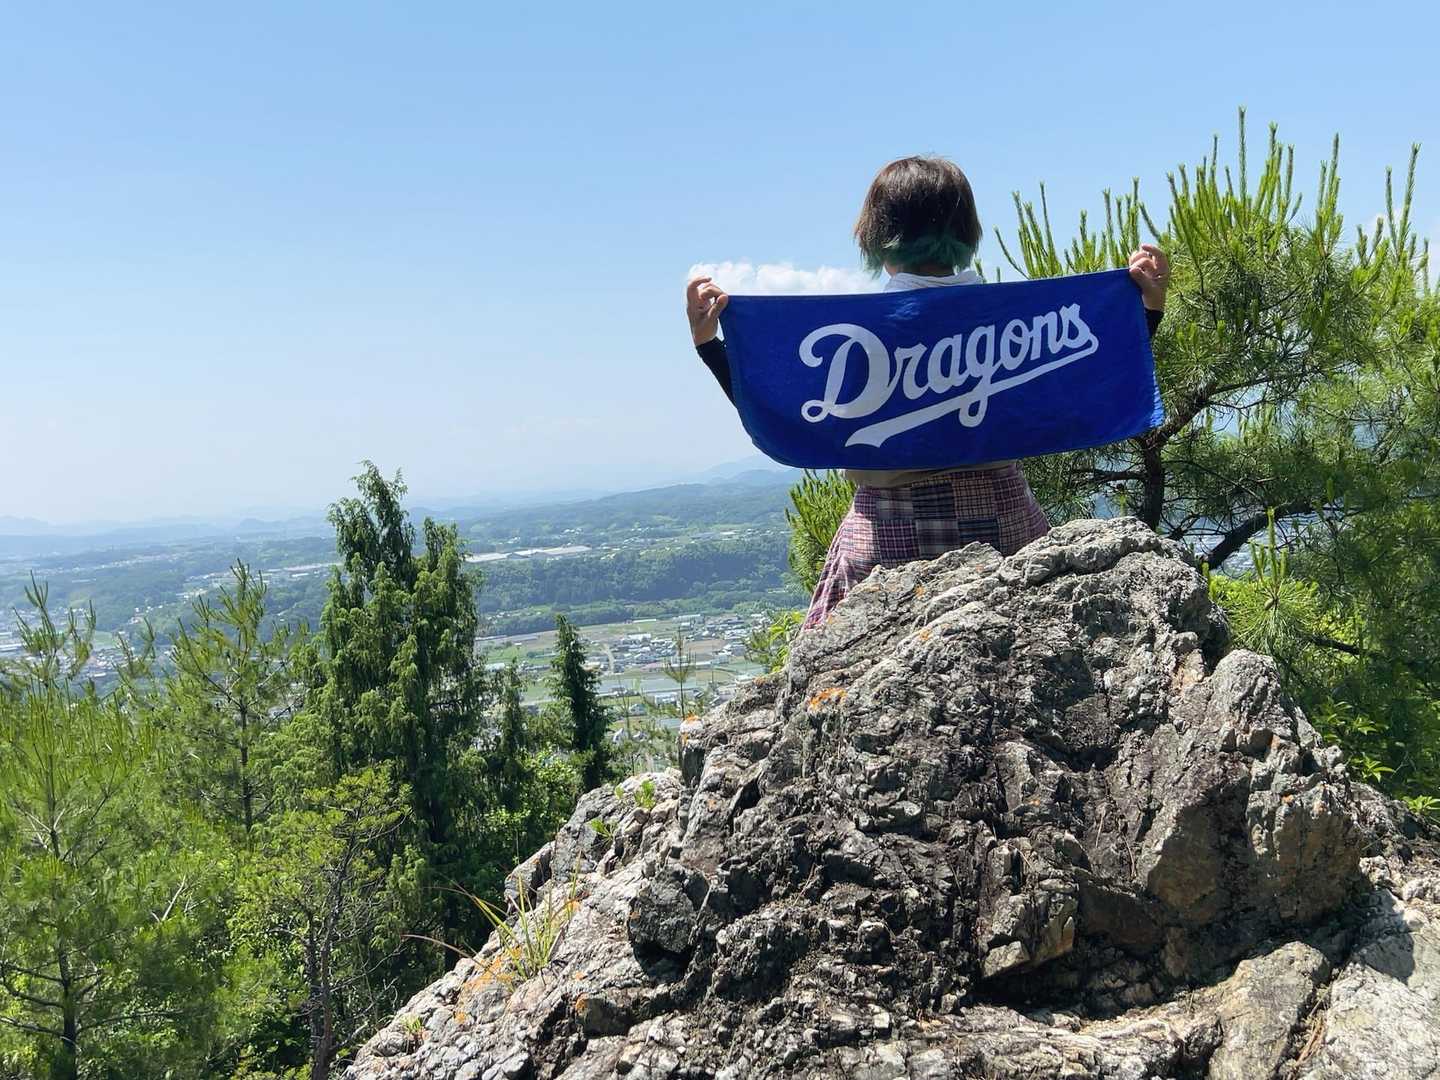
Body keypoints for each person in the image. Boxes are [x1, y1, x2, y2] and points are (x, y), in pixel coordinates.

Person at [686, 156, 1170, 629]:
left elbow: (785, 414)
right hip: (1005, 527)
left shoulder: (855, 335)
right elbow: (1089, 380)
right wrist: (1146, 310)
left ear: (877, 234)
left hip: (885, 539)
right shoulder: (1017, 321)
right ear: (966, 231)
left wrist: (711, 347)